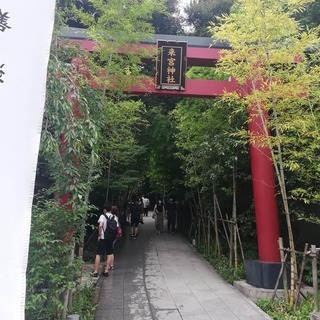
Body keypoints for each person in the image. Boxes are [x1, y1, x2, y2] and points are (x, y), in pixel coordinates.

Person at [92, 203, 116, 277]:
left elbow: (100, 225)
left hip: (103, 238)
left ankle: (95, 271)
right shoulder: (114, 217)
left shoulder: (102, 216)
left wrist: (99, 235)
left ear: (105, 209)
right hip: (110, 238)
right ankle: (106, 271)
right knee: (109, 254)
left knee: (98, 254)